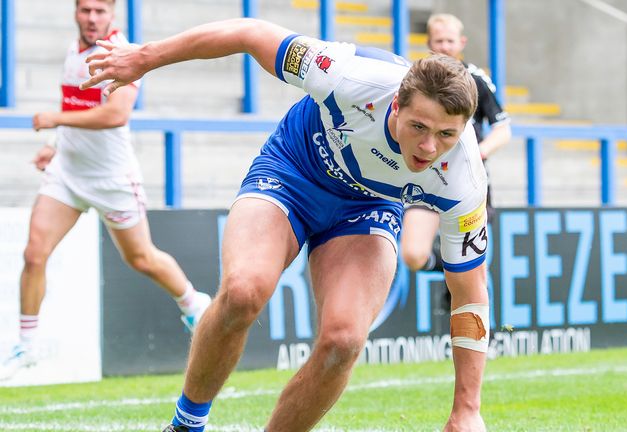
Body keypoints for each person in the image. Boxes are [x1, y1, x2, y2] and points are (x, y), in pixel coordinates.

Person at [82, 17, 492, 432]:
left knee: (344, 341)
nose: (428, 147)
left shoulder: (465, 177)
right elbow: (250, 34)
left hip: (369, 206)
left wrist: (467, 410)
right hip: (293, 172)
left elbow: (470, 295)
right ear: (395, 105)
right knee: (244, 292)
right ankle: (186, 425)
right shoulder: (348, 74)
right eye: (418, 127)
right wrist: (146, 57)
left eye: (446, 135)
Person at [0, 0, 211, 381]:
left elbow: (116, 115)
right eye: (85, 11)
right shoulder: (73, 49)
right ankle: (26, 346)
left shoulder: (120, 53)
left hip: (112, 179)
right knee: (34, 254)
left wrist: (53, 119)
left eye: (100, 11)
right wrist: (57, 146)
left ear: (112, 13)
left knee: (142, 258)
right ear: (75, 12)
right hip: (67, 173)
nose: (92, 18)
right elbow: (77, 106)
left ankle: (195, 305)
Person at [400, 14, 510, 308]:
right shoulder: (415, 78)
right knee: (412, 255)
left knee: (476, 269)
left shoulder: (476, 79)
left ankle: (489, 337)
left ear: (461, 43)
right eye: (439, 41)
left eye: (450, 41)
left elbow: (503, 129)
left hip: (466, 185)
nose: (445, 46)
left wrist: (479, 153)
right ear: (428, 43)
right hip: (425, 181)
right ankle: (449, 271)